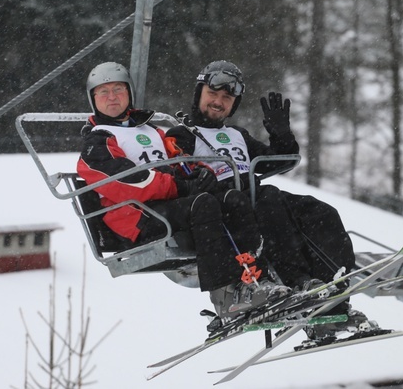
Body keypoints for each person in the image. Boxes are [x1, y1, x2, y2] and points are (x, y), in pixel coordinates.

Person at [165, 60, 379, 341]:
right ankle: (297, 281)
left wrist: (281, 134)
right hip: (226, 204)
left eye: (227, 98)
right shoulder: (181, 134)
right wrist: (198, 179)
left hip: (255, 196)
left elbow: (278, 161)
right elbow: (176, 174)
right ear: (199, 93)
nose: (218, 102)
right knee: (268, 198)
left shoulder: (237, 135)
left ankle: (331, 296)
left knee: (319, 212)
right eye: (212, 94)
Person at [76, 62, 290, 322]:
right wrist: (180, 186)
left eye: (118, 89)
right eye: (103, 92)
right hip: (134, 216)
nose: (112, 97)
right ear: (93, 99)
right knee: (203, 204)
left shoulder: (152, 130)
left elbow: (180, 159)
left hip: (166, 208)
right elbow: (129, 180)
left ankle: (255, 279)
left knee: (231, 199)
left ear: (129, 94)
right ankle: (224, 294)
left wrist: (201, 174)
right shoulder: (96, 141)